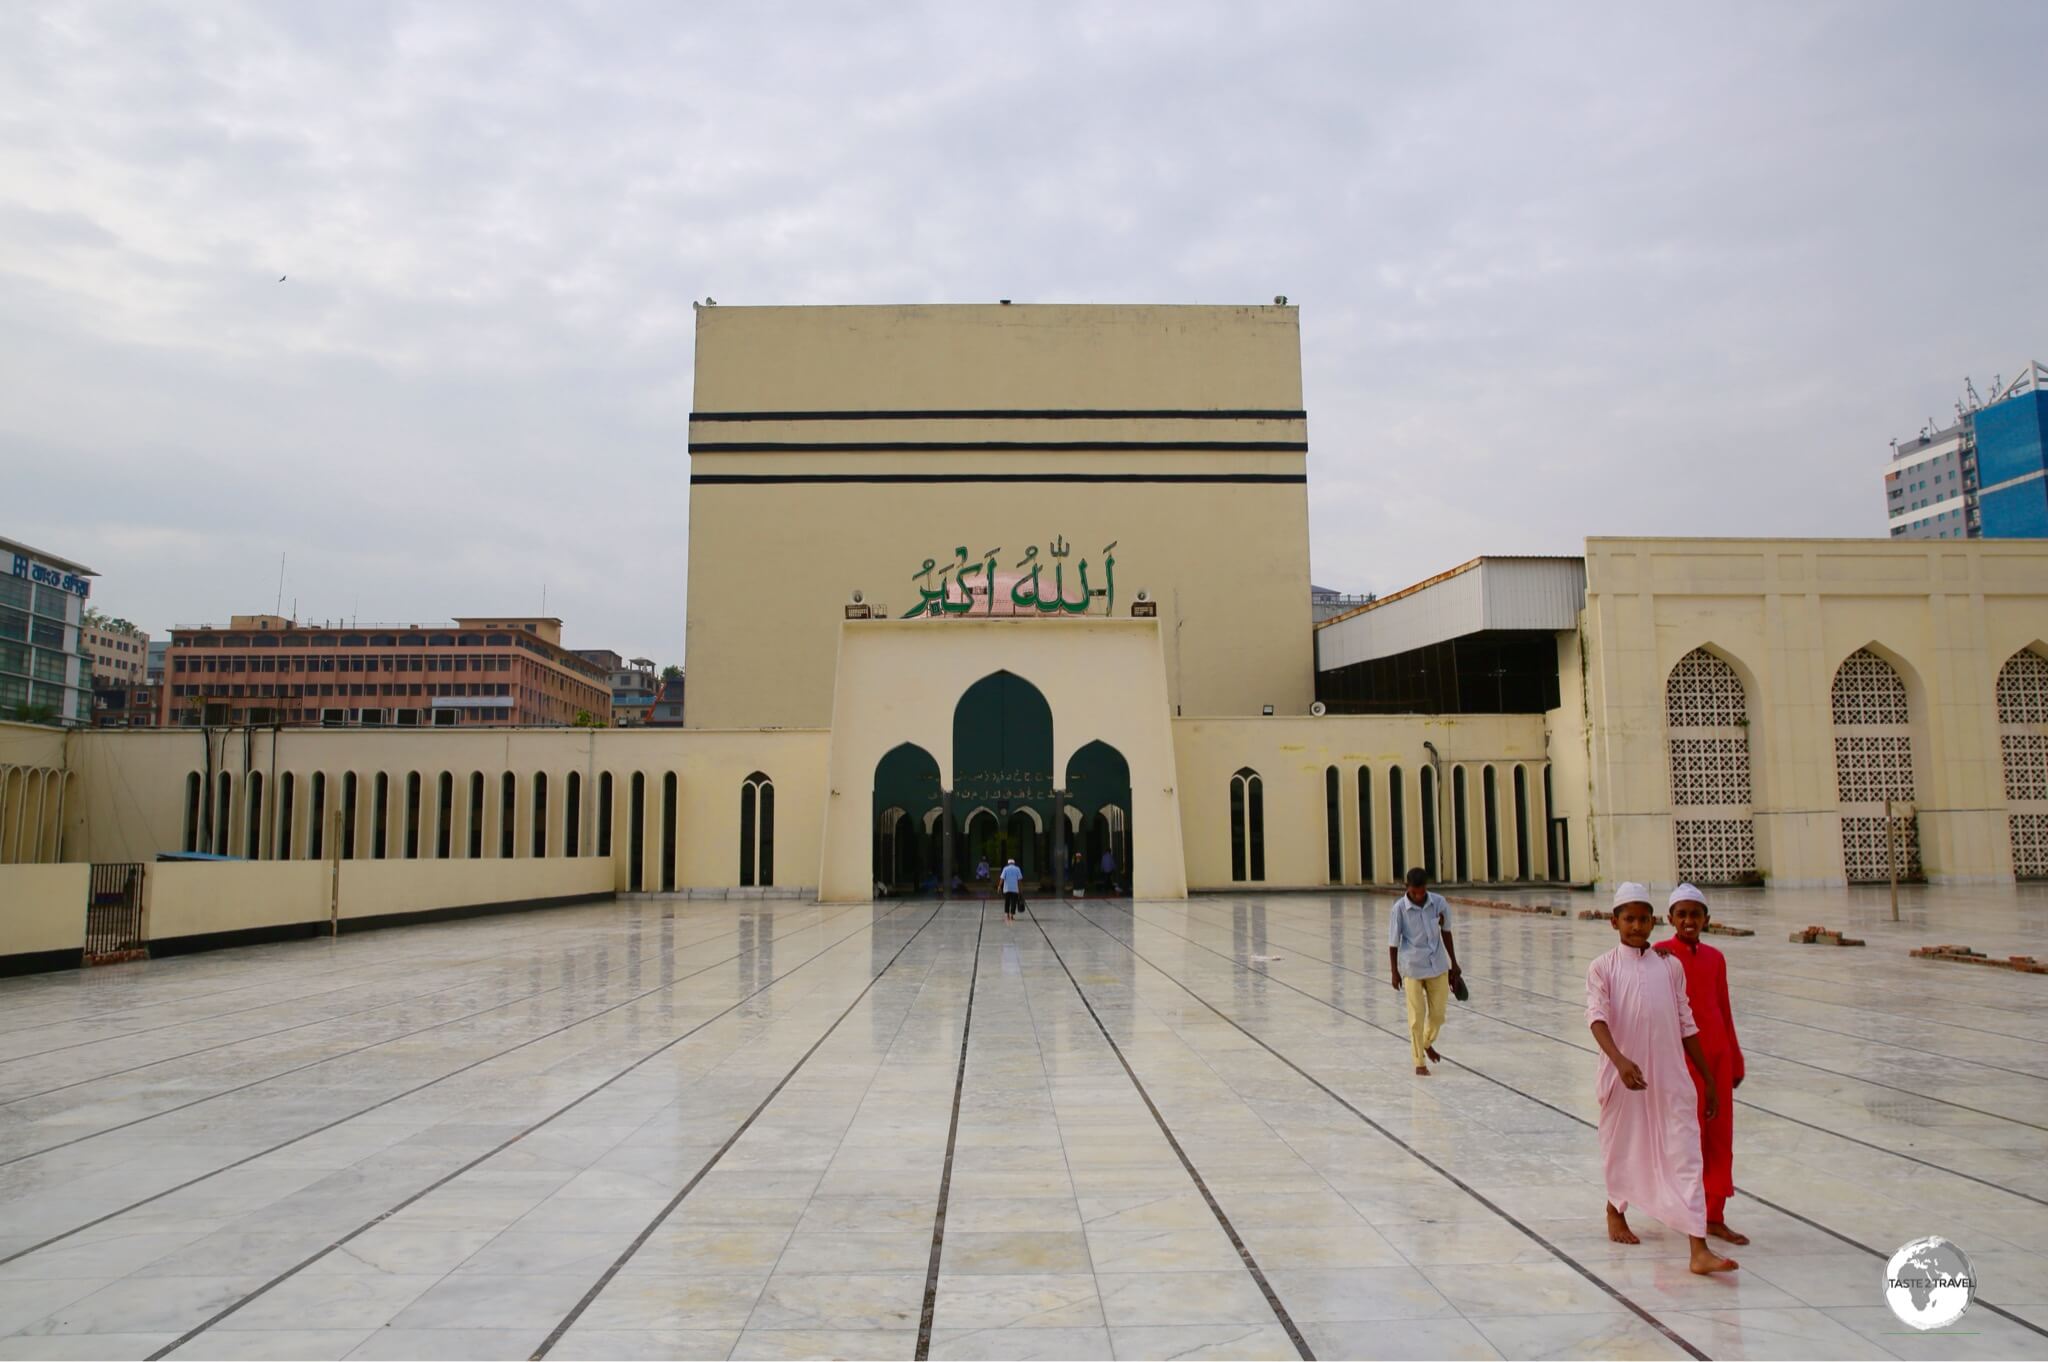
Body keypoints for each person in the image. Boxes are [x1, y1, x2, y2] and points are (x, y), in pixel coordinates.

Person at [1587, 883, 1738, 1275]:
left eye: (1643, 919)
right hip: (1624, 1078)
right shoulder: (1603, 967)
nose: (1637, 927)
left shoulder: (1669, 966)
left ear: (1653, 921)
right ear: (1614, 922)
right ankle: (1614, 1208)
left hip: (1670, 1077)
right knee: (1623, 1147)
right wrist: (1620, 1062)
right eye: (1629, 919)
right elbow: (1597, 1019)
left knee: (1685, 1153)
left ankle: (1698, 1249)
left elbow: (1687, 1022)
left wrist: (1705, 1077)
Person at [1654, 883, 1748, 1246]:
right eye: (1682, 914)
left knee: (1719, 1137)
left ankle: (1714, 1214)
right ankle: (1683, 1210)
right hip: (1681, 1059)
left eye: (1695, 914)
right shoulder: (1661, 955)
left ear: (1706, 919)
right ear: (1670, 919)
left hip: (1718, 1058)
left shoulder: (1715, 958)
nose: (1689, 921)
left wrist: (1735, 1058)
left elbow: (1723, 1009)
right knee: (1684, 1138)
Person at [1387, 867, 1460, 1076]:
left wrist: (1454, 963)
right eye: (1414, 891)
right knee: (1416, 1017)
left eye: (1421, 891)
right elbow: (1393, 942)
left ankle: (1426, 1042)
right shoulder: (1399, 909)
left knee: (1438, 1016)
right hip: (1412, 967)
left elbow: (1446, 933)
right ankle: (1419, 1061)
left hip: (1437, 965)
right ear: (1407, 887)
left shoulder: (1438, 903)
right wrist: (1394, 972)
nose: (1418, 895)